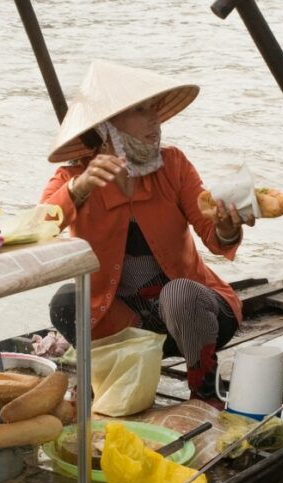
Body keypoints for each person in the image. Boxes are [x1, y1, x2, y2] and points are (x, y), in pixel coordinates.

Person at [40, 61, 254, 405]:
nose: (155, 120)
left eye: (154, 109)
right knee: (66, 301)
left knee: (179, 293)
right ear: (106, 125)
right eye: (141, 111)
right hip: (129, 320)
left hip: (192, 316)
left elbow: (214, 237)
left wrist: (227, 228)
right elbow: (39, 228)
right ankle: (110, 373)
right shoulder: (73, 178)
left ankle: (203, 387)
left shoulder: (174, 166)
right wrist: (79, 190)